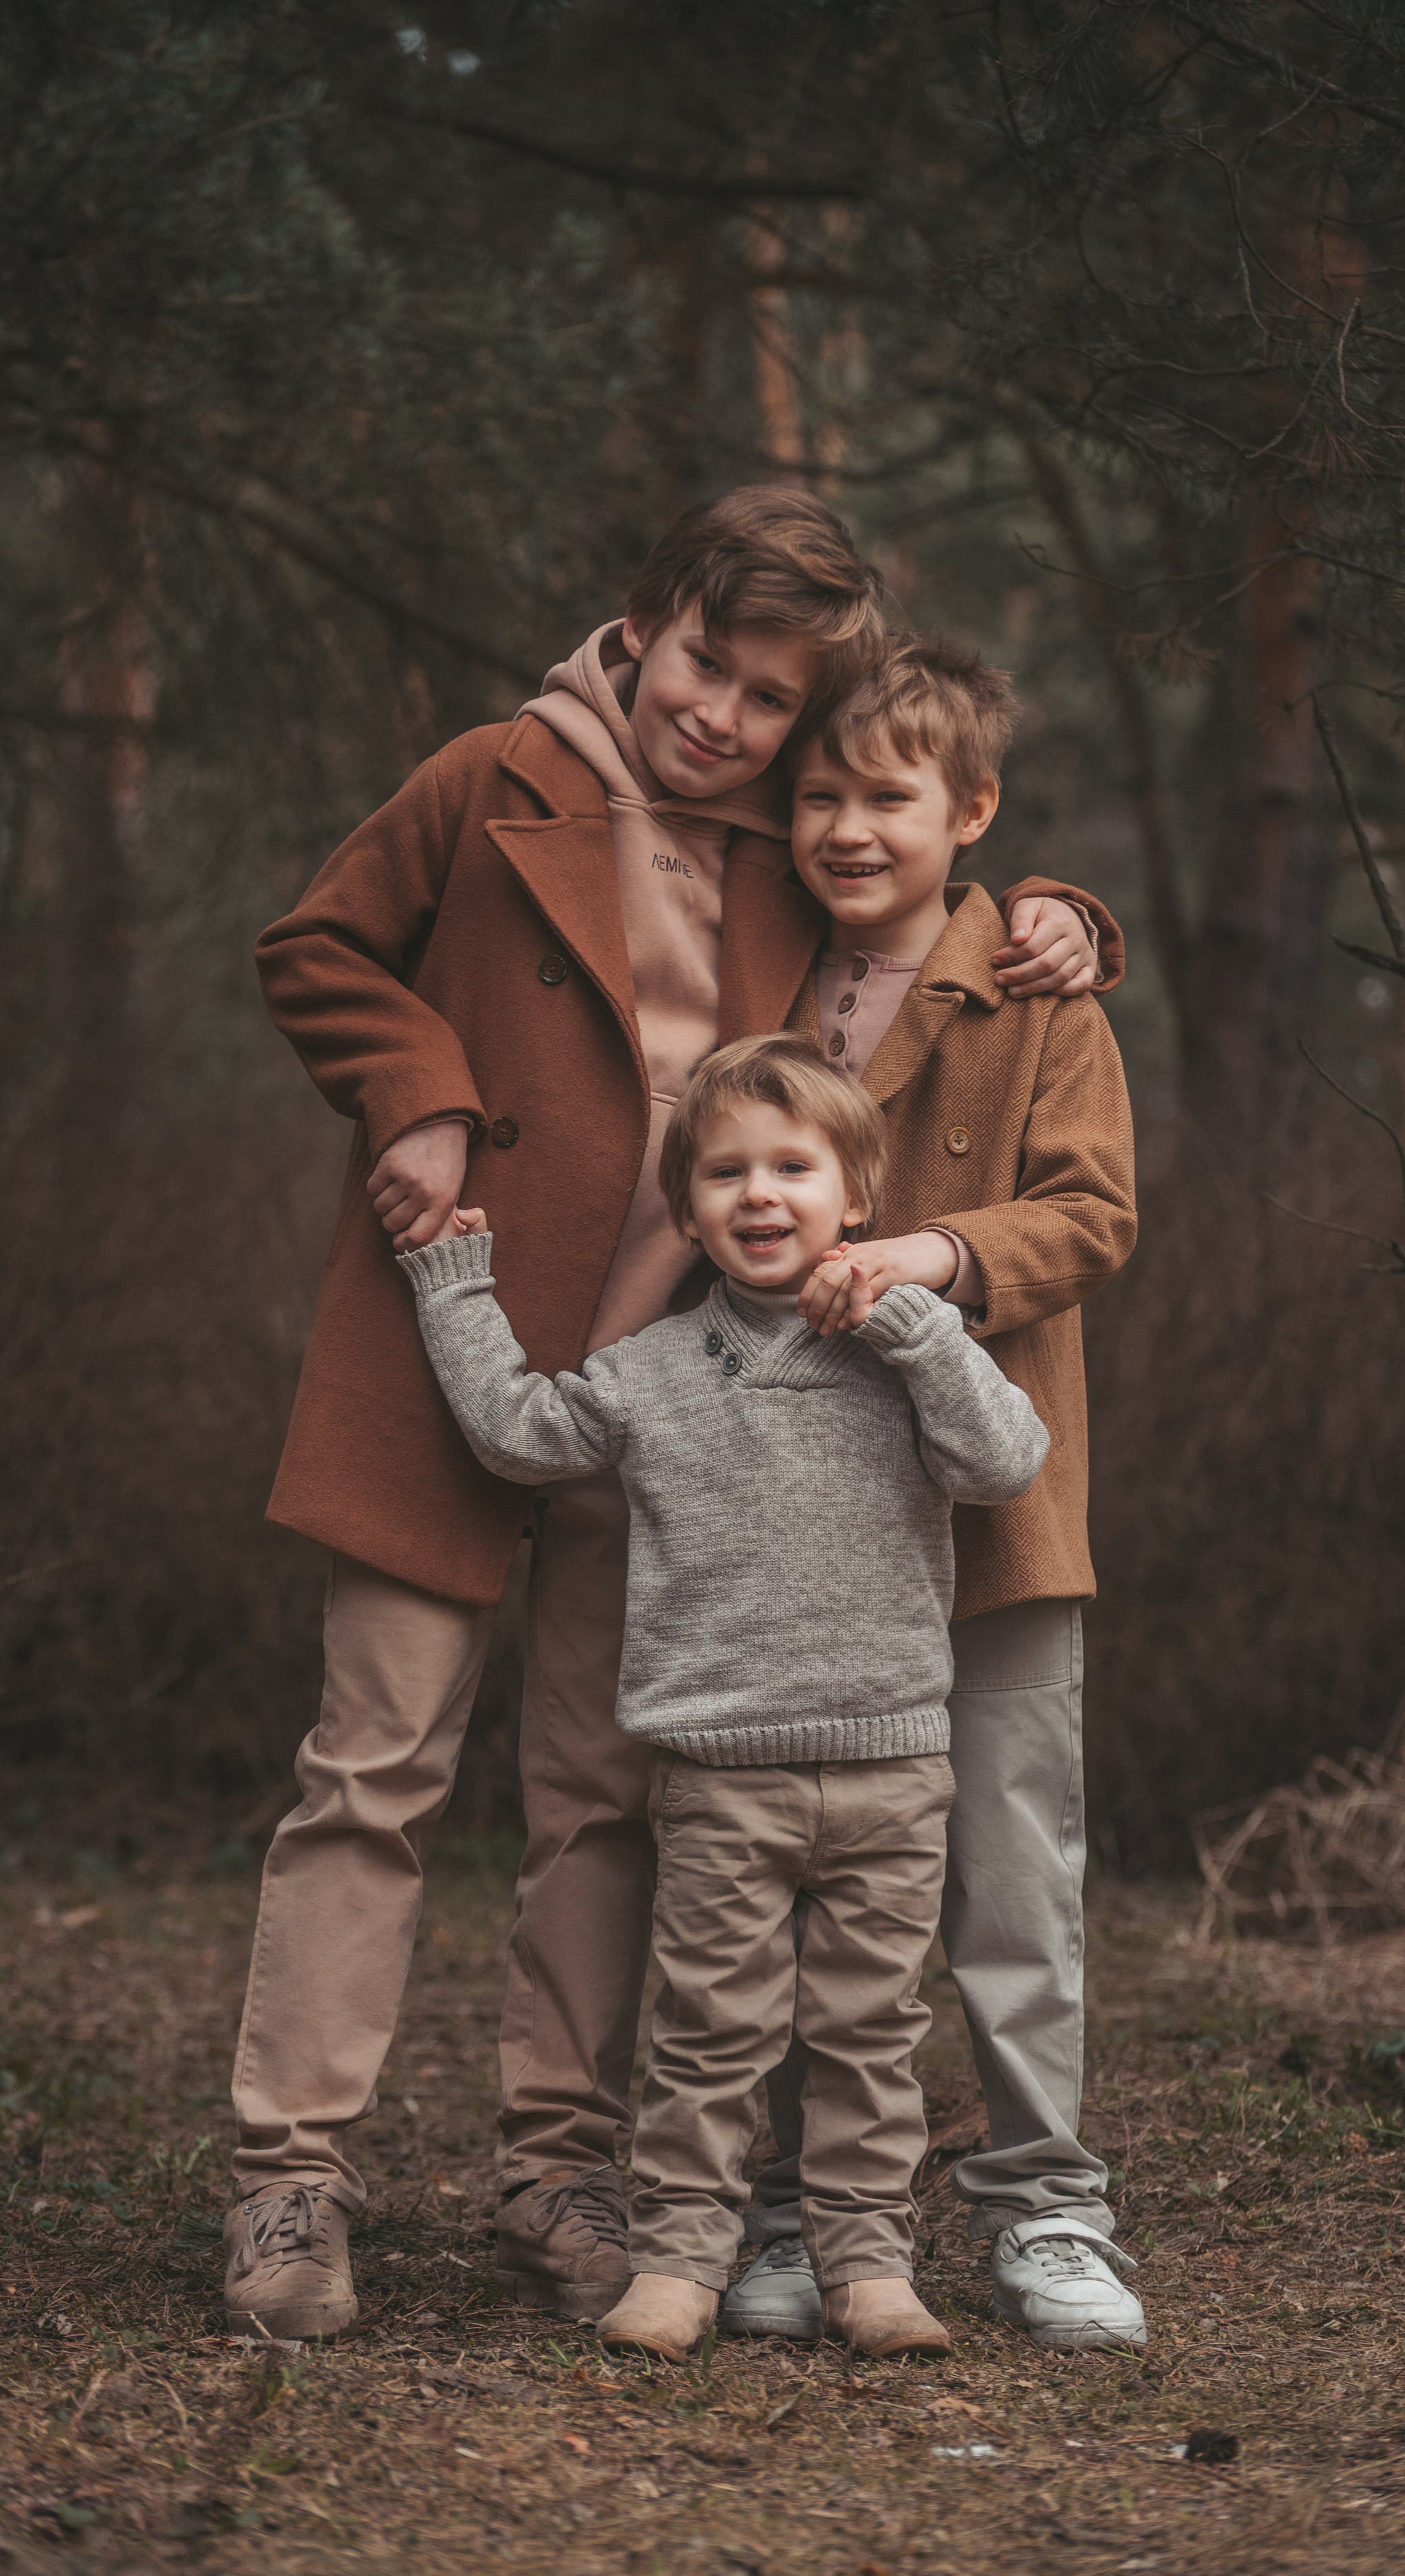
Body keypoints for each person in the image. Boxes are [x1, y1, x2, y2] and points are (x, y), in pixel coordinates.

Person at [222, 487, 1121, 2341]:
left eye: (771, 699)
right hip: (453, 1335)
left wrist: (1059, 915)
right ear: (643, 626)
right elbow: (315, 946)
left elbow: (923, 890)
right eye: (708, 665)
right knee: (371, 1767)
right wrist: (418, 1092)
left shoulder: (792, 842)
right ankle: (288, 2175)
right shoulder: (489, 777)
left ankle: (561, 2165)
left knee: (608, 1799)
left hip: (688, 1403)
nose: (724, 716)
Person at [397, 1038, 1047, 2360]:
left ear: (855, 1196)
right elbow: (521, 1434)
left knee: (868, 2038)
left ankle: (868, 2268)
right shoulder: (653, 1370)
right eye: (726, 1174)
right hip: (718, 1776)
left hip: (890, 1771)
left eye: (793, 1168)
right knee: (708, 2036)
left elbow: (1005, 1462)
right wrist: (456, 1285)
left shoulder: (910, 1355)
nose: (761, 1196)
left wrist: (914, 1317)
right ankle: (683, 2262)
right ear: (688, 1212)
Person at [716, 633, 1147, 2353]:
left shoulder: (1040, 994)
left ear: (968, 812)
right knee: (785, 1870)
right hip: (795, 1523)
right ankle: (787, 2208)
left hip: (994, 1516)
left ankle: (1045, 2202)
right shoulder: (756, 969)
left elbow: (1093, 1214)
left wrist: (933, 1255)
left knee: (1009, 1871)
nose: (844, 827)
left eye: (885, 797)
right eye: (816, 794)